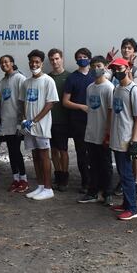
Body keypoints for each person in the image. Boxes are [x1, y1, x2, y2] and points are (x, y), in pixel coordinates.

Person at [20, 49, 59, 201]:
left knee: (44, 156)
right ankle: (41, 186)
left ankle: (48, 188)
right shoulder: (26, 82)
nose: (34, 64)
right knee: (35, 155)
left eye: (37, 62)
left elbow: (50, 103)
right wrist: (24, 119)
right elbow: (23, 102)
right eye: (32, 62)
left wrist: (35, 120)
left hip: (41, 126)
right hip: (29, 127)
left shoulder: (48, 81)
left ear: (42, 63)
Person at [77, 56, 116, 206]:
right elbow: (90, 110)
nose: (95, 69)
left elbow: (111, 111)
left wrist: (108, 132)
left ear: (105, 67)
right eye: (93, 66)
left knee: (105, 164)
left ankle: (107, 193)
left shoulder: (109, 87)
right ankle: (93, 192)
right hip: (91, 133)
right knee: (92, 164)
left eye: (99, 65)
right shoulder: (90, 87)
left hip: (103, 134)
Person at [108, 57, 137, 221]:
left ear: (128, 68)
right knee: (122, 173)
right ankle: (125, 203)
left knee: (127, 175)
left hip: (126, 139)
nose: (117, 72)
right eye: (114, 69)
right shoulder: (116, 89)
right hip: (116, 138)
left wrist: (134, 141)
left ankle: (132, 208)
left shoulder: (134, 90)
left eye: (120, 69)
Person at [62, 47, 95, 193]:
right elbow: (65, 101)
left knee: (95, 153)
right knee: (81, 153)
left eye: (84, 56)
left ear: (89, 58)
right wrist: (81, 107)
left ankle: (97, 181)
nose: (82, 58)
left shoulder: (96, 75)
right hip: (78, 122)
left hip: (95, 122)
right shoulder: (72, 78)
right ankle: (85, 182)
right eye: (79, 57)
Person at [0, 55, 28, 193]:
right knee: (11, 152)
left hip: (16, 124)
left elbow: (24, 102)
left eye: (6, 62)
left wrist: (21, 122)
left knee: (16, 152)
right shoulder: (2, 82)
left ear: (12, 63)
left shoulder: (20, 79)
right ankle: (15, 179)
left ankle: (24, 180)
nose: (4, 64)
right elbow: (0, 104)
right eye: (1, 63)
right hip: (6, 123)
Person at [46, 48, 70, 191]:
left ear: (61, 59)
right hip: (49, 120)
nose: (55, 61)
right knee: (53, 150)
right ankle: (58, 175)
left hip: (63, 120)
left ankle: (65, 177)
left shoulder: (69, 76)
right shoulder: (47, 78)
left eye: (57, 58)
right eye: (52, 59)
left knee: (63, 150)